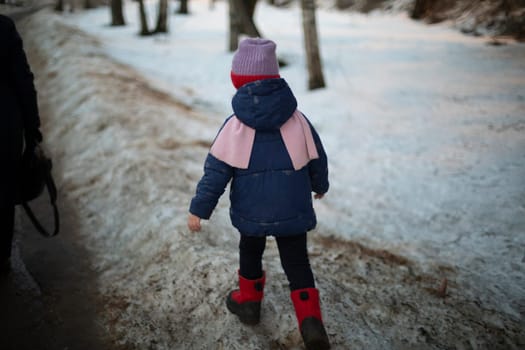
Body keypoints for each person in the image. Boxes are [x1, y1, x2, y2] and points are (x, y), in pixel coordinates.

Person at [187, 38, 330, 350]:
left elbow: (216, 172)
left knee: (250, 252)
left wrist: (200, 208)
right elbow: (317, 156)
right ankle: (311, 321)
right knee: (297, 261)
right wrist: (320, 185)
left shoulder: (234, 126)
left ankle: (249, 303)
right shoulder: (298, 120)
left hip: (252, 211)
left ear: (239, 82)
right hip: (292, 209)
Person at [0, 14, 43, 274]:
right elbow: (23, 81)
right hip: (3, 130)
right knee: (3, 195)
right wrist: (32, 129)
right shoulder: (3, 27)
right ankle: (1, 257)